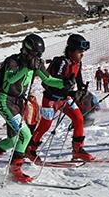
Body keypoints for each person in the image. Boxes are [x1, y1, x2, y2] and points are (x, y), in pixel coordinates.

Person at [0, 33, 66, 182]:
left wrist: (65, 83)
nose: (37, 57)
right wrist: (25, 68)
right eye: (34, 53)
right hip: (5, 101)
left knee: (14, 140)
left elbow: (48, 79)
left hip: (19, 103)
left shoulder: (36, 63)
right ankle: (15, 169)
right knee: (25, 134)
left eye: (39, 54)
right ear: (26, 50)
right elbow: (10, 79)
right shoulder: (13, 61)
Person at [26, 34, 95, 163]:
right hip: (51, 100)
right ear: (71, 50)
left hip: (65, 98)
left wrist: (81, 90)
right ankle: (30, 149)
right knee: (45, 126)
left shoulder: (77, 63)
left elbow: (78, 78)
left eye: (83, 52)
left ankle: (78, 150)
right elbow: (53, 83)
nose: (82, 55)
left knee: (78, 118)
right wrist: (72, 92)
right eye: (80, 52)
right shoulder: (61, 62)